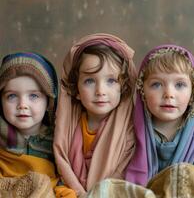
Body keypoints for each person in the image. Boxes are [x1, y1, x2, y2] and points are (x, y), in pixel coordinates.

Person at [90, 44, 194, 198]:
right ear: (142, 92)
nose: (169, 94)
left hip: (187, 191)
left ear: (193, 94)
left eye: (179, 85)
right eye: (156, 85)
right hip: (147, 192)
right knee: (107, 188)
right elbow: (120, 177)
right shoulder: (130, 131)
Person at [53, 33, 137, 197]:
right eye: (90, 81)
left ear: (124, 87)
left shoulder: (129, 129)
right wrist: (79, 192)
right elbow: (62, 161)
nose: (100, 91)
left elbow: (122, 172)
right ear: (76, 90)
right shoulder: (67, 126)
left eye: (111, 81)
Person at [0, 52, 59, 197]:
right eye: (12, 96)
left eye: (33, 96)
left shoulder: (58, 139)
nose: (22, 105)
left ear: (48, 103)